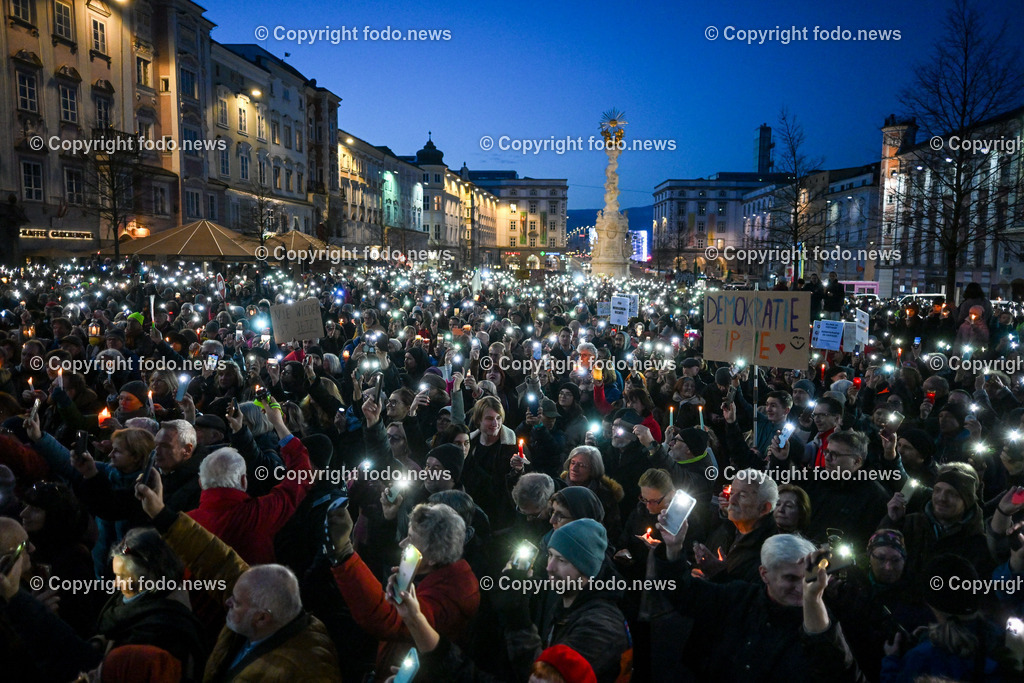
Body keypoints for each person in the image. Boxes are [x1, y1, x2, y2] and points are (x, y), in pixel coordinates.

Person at [132, 472, 342, 681]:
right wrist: (160, 513)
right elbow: (216, 561)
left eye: (237, 603)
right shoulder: (262, 604)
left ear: (262, 617)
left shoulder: (304, 672)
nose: (228, 600)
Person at [325, 500, 480, 678]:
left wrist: (345, 555)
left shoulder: (451, 596)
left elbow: (390, 620)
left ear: (433, 556)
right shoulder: (434, 575)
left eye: (411, 539)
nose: (402, 544)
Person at [697, 469, 779, 583]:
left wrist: (719, 576)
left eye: (742, 496)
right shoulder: (727, 529)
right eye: (732, 493)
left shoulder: (771, 555)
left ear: (764, 508)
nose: (732, 500)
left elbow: (749, 597)